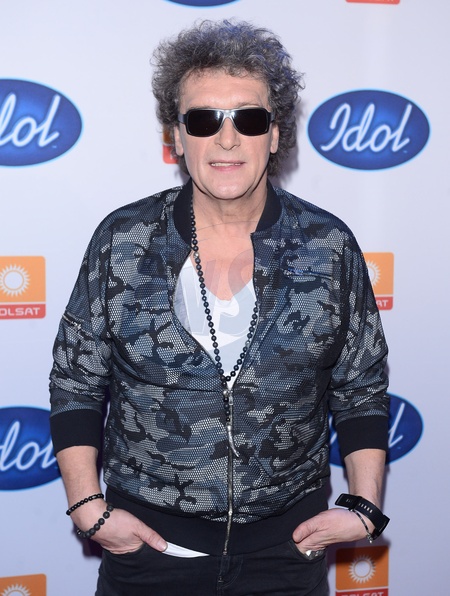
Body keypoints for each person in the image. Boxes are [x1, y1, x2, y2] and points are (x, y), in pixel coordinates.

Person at [49, 19, 390, 596]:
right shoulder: (123, 240)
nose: (227, 140)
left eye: (248, 119)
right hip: (149, 557)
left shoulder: (327, 246)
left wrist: (364, 506)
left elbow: (360, 385)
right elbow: (76, 381)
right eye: (204, 120)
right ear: (177, 137)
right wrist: (88, 508)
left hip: (288, 558)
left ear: (274, 135)